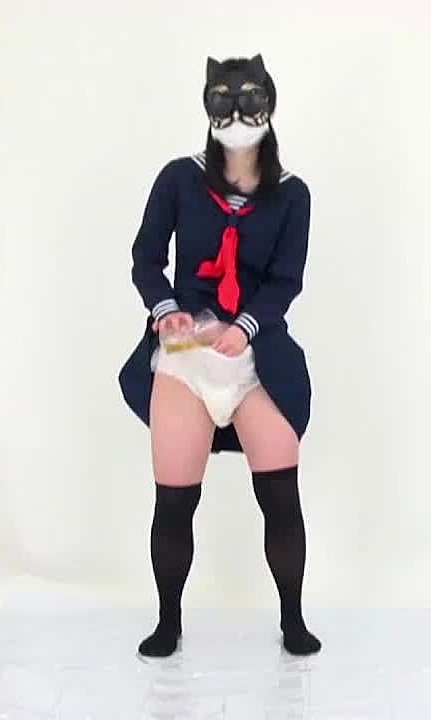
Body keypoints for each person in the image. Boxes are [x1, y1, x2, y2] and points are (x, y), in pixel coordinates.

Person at [117, 54, 319, 659]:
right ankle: (168, 621)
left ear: (270, 104)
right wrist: (166, 310)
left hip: (257, 357)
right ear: (207, 106)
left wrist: (248, 328)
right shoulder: (180, 179)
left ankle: (293, 619)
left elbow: (286, 279)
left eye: (250, 98)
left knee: (280, 494)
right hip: (186, 354)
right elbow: (146, 258)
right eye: (222, 100)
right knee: (175, 499)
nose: (236, 113)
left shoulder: (293, 194)